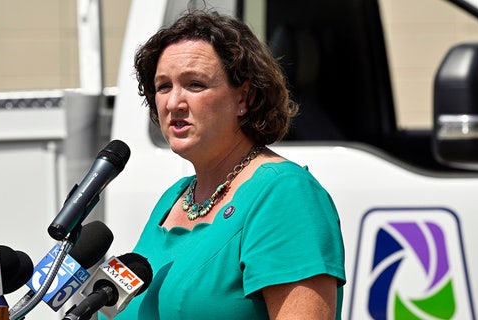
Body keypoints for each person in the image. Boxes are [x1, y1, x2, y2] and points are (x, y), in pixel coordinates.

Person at [113, 9, 346, 319]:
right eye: (163, 86)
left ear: (244, 98)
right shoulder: (173, 198)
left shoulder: (284, 194)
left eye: (195, 85)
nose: (173, 103)